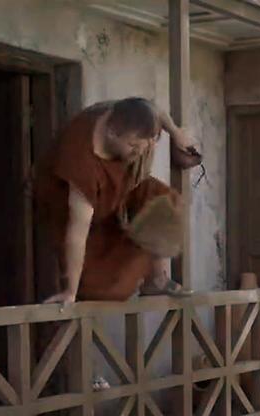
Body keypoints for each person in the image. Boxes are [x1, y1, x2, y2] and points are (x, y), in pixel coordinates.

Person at [34, 97, 202, 305]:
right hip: (82, 212)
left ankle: (157, 280)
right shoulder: (81, 164)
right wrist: (70, 292)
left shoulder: (118, 112)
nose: (140, 151)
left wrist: (176, 133)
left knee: (164, 201)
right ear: (112, 133)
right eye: (133, 145)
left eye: (147, 142)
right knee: (105, 287)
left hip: (122, 186)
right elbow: (77, 233)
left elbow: (154, 111)